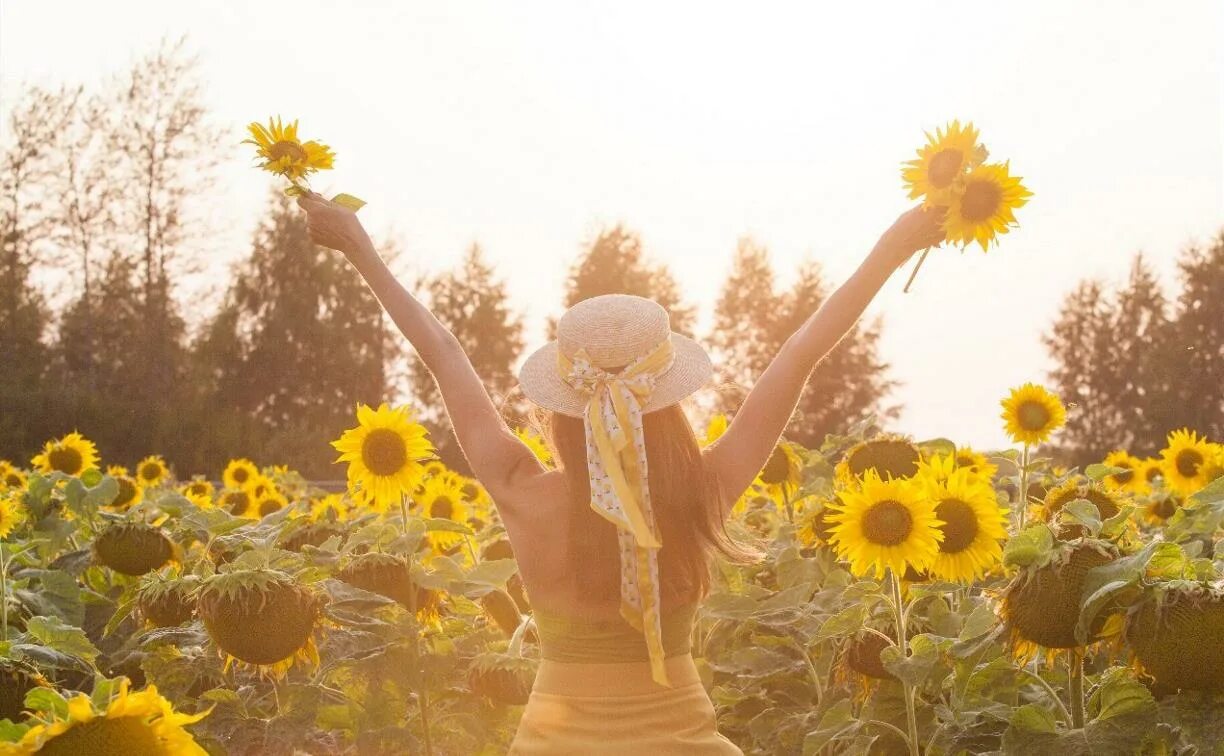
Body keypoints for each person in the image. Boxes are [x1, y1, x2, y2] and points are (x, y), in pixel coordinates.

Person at [295, 191, 943, 754]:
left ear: (562, 406)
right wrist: (891, 248)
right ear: (669, 403)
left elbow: (442, 350)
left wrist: (362, 251)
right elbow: (800, 354)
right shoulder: (701, 494)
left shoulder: (522, 492)